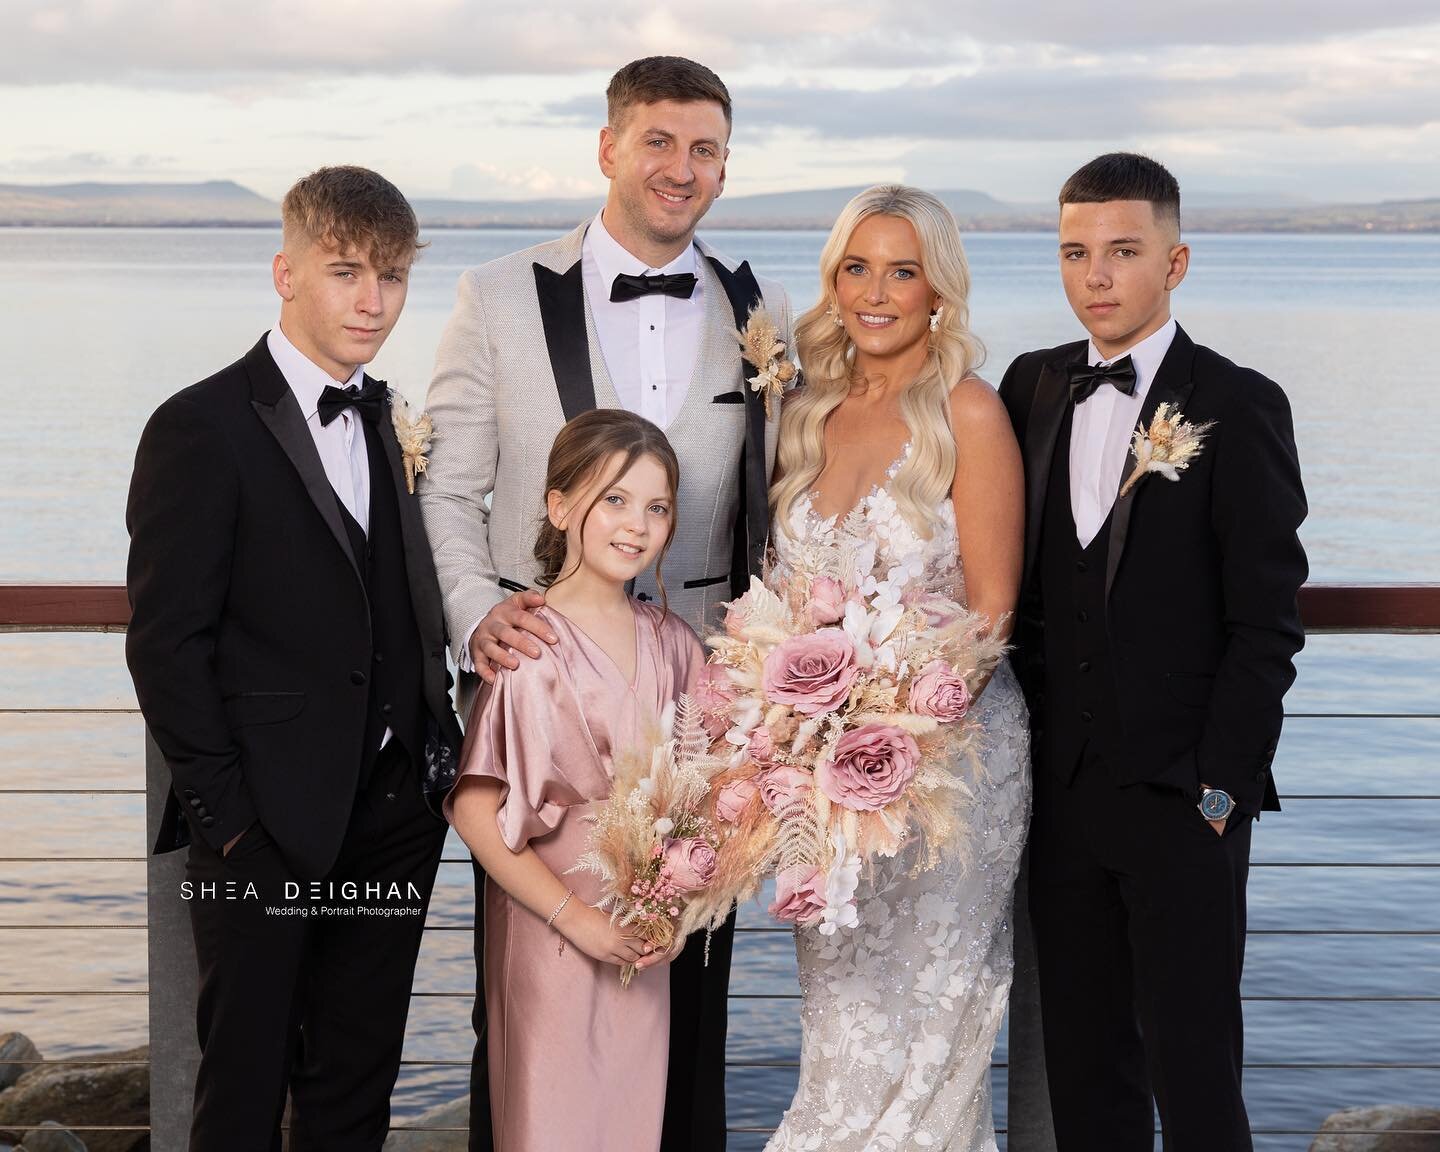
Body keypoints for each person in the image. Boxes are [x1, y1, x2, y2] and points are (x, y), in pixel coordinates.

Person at [420, 55, 790, 1151]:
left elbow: (783, 493)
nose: (682, 169)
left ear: (726, 168)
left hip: (698, 723)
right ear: (609, 148)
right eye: (660, 142)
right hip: (548, 705)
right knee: (535, 1019)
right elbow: (446, 487)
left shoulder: (757, 307)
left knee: (691, 1018)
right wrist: (476, 610)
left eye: (706, 149)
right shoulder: (494, 294)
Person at [125, 165, 462, 1151]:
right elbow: (166, 643)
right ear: (286, 271)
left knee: (356, 1086)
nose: (372, 301)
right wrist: (229, 822)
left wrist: (434, 758)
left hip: (396, 814)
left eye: (392, 277)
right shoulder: (201, 426)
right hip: (262, 828)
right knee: (242, 1085)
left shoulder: (400, 417)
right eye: (347, 271)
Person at [998, 152, 1308, 1151]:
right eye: (1076, 252)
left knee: (1197, 1069)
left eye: (1123, 252)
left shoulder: (1239, 402)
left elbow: (1268, 626)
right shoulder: (1032, 386)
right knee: (1089, 1070)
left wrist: (1219, 791)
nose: (1097, 275)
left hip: (1187, 802)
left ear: (1174, 263)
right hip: (1060, 797)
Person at [763, 184, 1030, 1151]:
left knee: (926, 1040)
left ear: (938, 294)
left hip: (950, 775)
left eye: (902, 271)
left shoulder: (970, 413)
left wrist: (897, 732)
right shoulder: (805, 412)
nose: (875, 292)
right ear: (834, 283)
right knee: (842, 1038)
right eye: (856, 267)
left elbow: (993, 614)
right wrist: (803, 743)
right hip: (822, 790)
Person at [446, 409, 704, 1151]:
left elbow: (711, 795)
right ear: (559, 507)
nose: (637, 524)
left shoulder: (676, 644)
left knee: (631, 1130)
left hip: (641, 942)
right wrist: (580, 921)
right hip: (550, 935)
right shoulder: (528, 647)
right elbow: (473, 812)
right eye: (614, 499)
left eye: (657, 507)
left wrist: (678, 907)